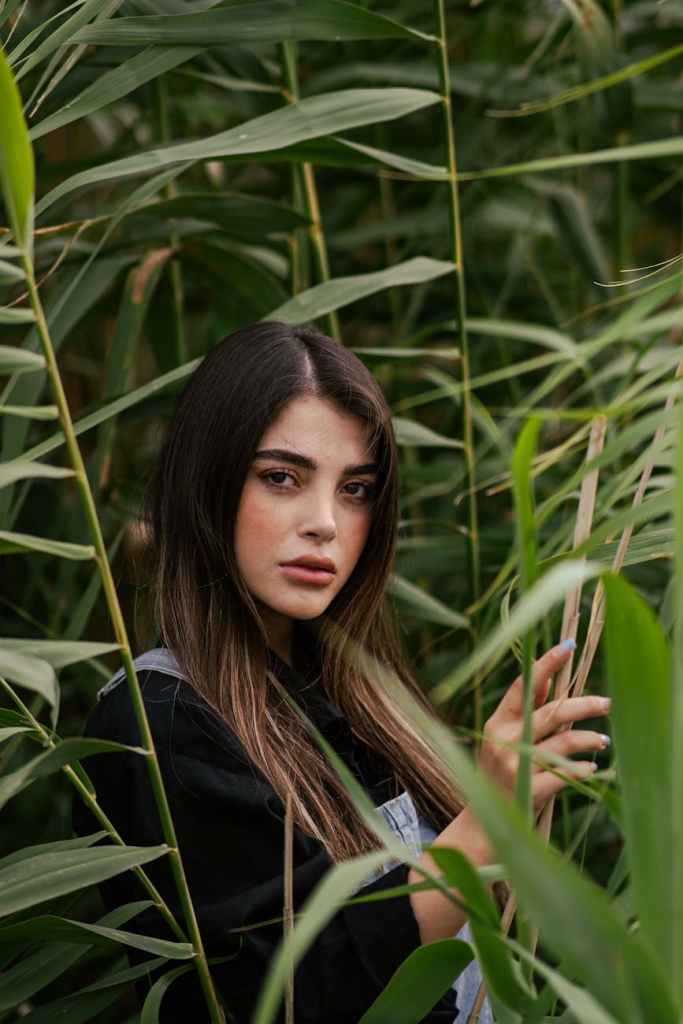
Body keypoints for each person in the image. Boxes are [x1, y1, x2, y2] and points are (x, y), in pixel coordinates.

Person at [72, 321, 610, 1023]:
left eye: (355, 490)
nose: (325, 522)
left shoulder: (368, 705)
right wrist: (485, 824)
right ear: (206, 482)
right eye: (281, 478)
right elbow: (299, 996)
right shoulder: (159, 722)